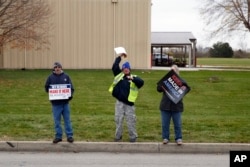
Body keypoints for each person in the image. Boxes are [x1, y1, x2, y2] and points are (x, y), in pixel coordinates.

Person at [109, 50, 144, 142]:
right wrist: (120, 57)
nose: (126, 69)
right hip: (119, 103)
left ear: (129, 69)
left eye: (127, 68)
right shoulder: (119, 76)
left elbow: (141, 83)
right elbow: (114, 66)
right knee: (118, 120)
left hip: (129, 104)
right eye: (124, 68)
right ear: (122, 69)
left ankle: (133, 137)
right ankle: (118, 137)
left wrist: (132, 79)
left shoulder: (134, 77)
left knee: (131, 121)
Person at [45, 62, 74, 144]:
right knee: (57, 121)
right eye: (56, 67)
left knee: (67, 120)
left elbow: (71, 88)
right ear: (54, 68)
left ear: (61, 68)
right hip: (55, 104)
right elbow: (46, 87)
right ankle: (58, 136)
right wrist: (51, 92)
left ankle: (69, 136)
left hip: (65, 103)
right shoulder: (50, 77)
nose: (57, 68)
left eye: (59, 67)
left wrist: (70, 96)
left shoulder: (66, 76)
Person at [157, 64, 183, 145]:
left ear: (177, 71)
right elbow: (158, 89)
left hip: (176, 106)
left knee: (177, 124)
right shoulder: (166, 80)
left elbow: (185, 89)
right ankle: (165, 138)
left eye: (174, 70)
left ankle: (178, 138)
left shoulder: (181, 81)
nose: (172, 72)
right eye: (171, 70)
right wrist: (163, 83)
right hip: (165, 106)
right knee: (165, 124)